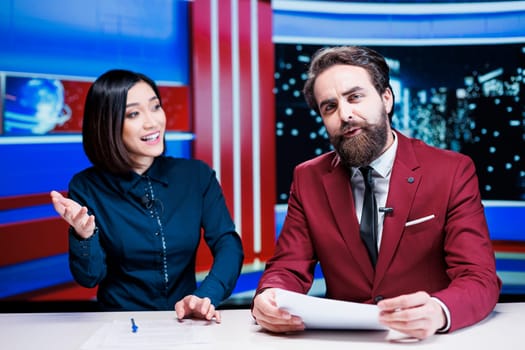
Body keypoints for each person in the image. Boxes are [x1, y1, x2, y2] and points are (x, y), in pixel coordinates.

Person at [251, 46, 501, 339]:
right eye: (329, 107)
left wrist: (438, 310)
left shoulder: (452, 171)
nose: (345, 115)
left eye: (355, 97)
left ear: (386, 99)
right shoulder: (308, 178)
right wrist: (268, 298)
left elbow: (479, 277)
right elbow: (288, 267)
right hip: (343, 342)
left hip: (426, 341)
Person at [50, 69, 244, 321]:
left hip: (184, 322)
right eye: (133, 113)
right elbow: (89, 278)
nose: (152, 122)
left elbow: (228, 244)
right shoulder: (86, 186)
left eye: (155, 107)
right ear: (107, 124)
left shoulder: (196, 175)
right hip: (119, 325)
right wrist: (83, 235)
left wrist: (206, 296)